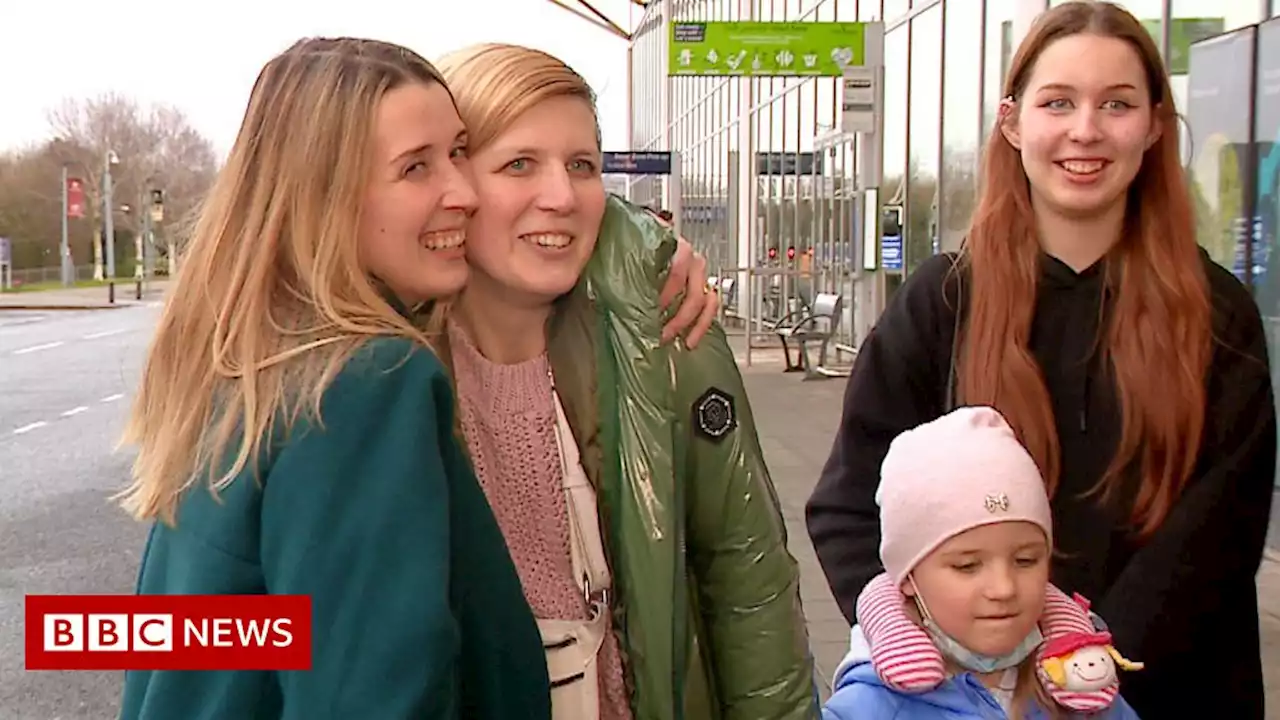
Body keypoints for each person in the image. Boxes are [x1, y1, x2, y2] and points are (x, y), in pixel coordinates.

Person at [114, 37, 716, 720]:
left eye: (459, 152)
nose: (462, 192)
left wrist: (638, 246)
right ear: (324, 197)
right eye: (415, 169)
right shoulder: (364, 383)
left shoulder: (254, 363)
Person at [805, 3, 1276, 719]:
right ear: (1013, 121)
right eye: (1058, 102)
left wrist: (1083, 676)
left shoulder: (1217, 314)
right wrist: (924, 649)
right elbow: (848, 506)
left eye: (1116, 104)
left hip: (1170, 692)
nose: (1085, 130)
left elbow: (1216, 538)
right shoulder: (943, 305)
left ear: (1153, 124)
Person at [433, 42, 819, 720]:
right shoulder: (384, 370)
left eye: (582, 165)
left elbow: (746, 583)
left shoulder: (667, 336)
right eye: (520, 163)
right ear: (455, 184)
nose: (561, 196)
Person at [822, 406, 1142, 720]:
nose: (1003, 588)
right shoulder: (868, 707)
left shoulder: (1085, 686)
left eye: (1026, 560)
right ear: (908, 577)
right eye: (967, 566)